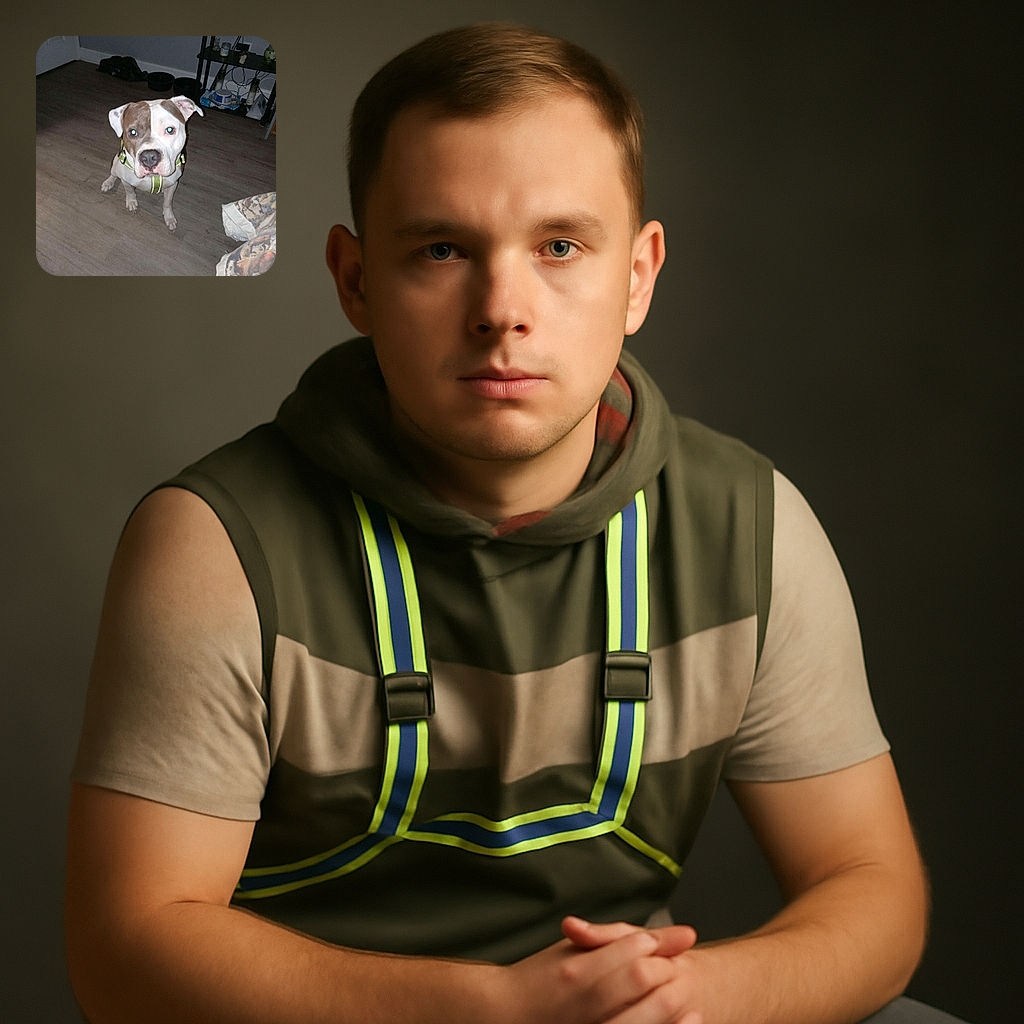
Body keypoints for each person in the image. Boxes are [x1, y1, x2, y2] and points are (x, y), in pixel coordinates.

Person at [66, 22, 936, 1024]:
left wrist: (694, 1000)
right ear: (354, 279)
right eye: (441, 249)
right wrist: (491, 1012)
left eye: (559, 246)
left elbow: (873, 886)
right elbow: (124, 954)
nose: (501, 308)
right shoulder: (218, 544)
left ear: (638, 276)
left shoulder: (748, 526)